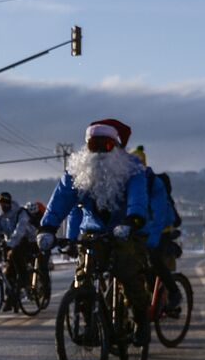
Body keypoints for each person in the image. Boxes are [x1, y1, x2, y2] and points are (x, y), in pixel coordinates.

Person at [37, 119, 150, 344]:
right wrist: (47, 227)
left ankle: (141, 321)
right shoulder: (78, 171)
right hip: (93, 232)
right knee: (82, 279)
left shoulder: (132, 170)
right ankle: (90, 324)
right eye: (92, 146)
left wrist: (132, 220)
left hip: (125, 229)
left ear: (116, 147)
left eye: (105, 145)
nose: (98, 152)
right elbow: (61, 199)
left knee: (128, 273)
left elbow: (138, 199)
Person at [131, 146, 184, 315]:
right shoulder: (129, 183)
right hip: (142, 230)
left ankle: (174, 292)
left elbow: (159, 215)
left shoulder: (154, 183)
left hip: (160, 229)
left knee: (153, 258)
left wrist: (152, 239)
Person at [0, 191, 36, 309]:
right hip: (11, 243)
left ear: (9, 203)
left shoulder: (20, 212)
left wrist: (10, 244)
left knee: (15, 256)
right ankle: (10, 299)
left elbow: (20, 230)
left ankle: (26, 282)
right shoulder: (1, 216)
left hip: (26, 241)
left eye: (4, 203)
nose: (2, 206)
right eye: (0, 204)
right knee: (8, 272)